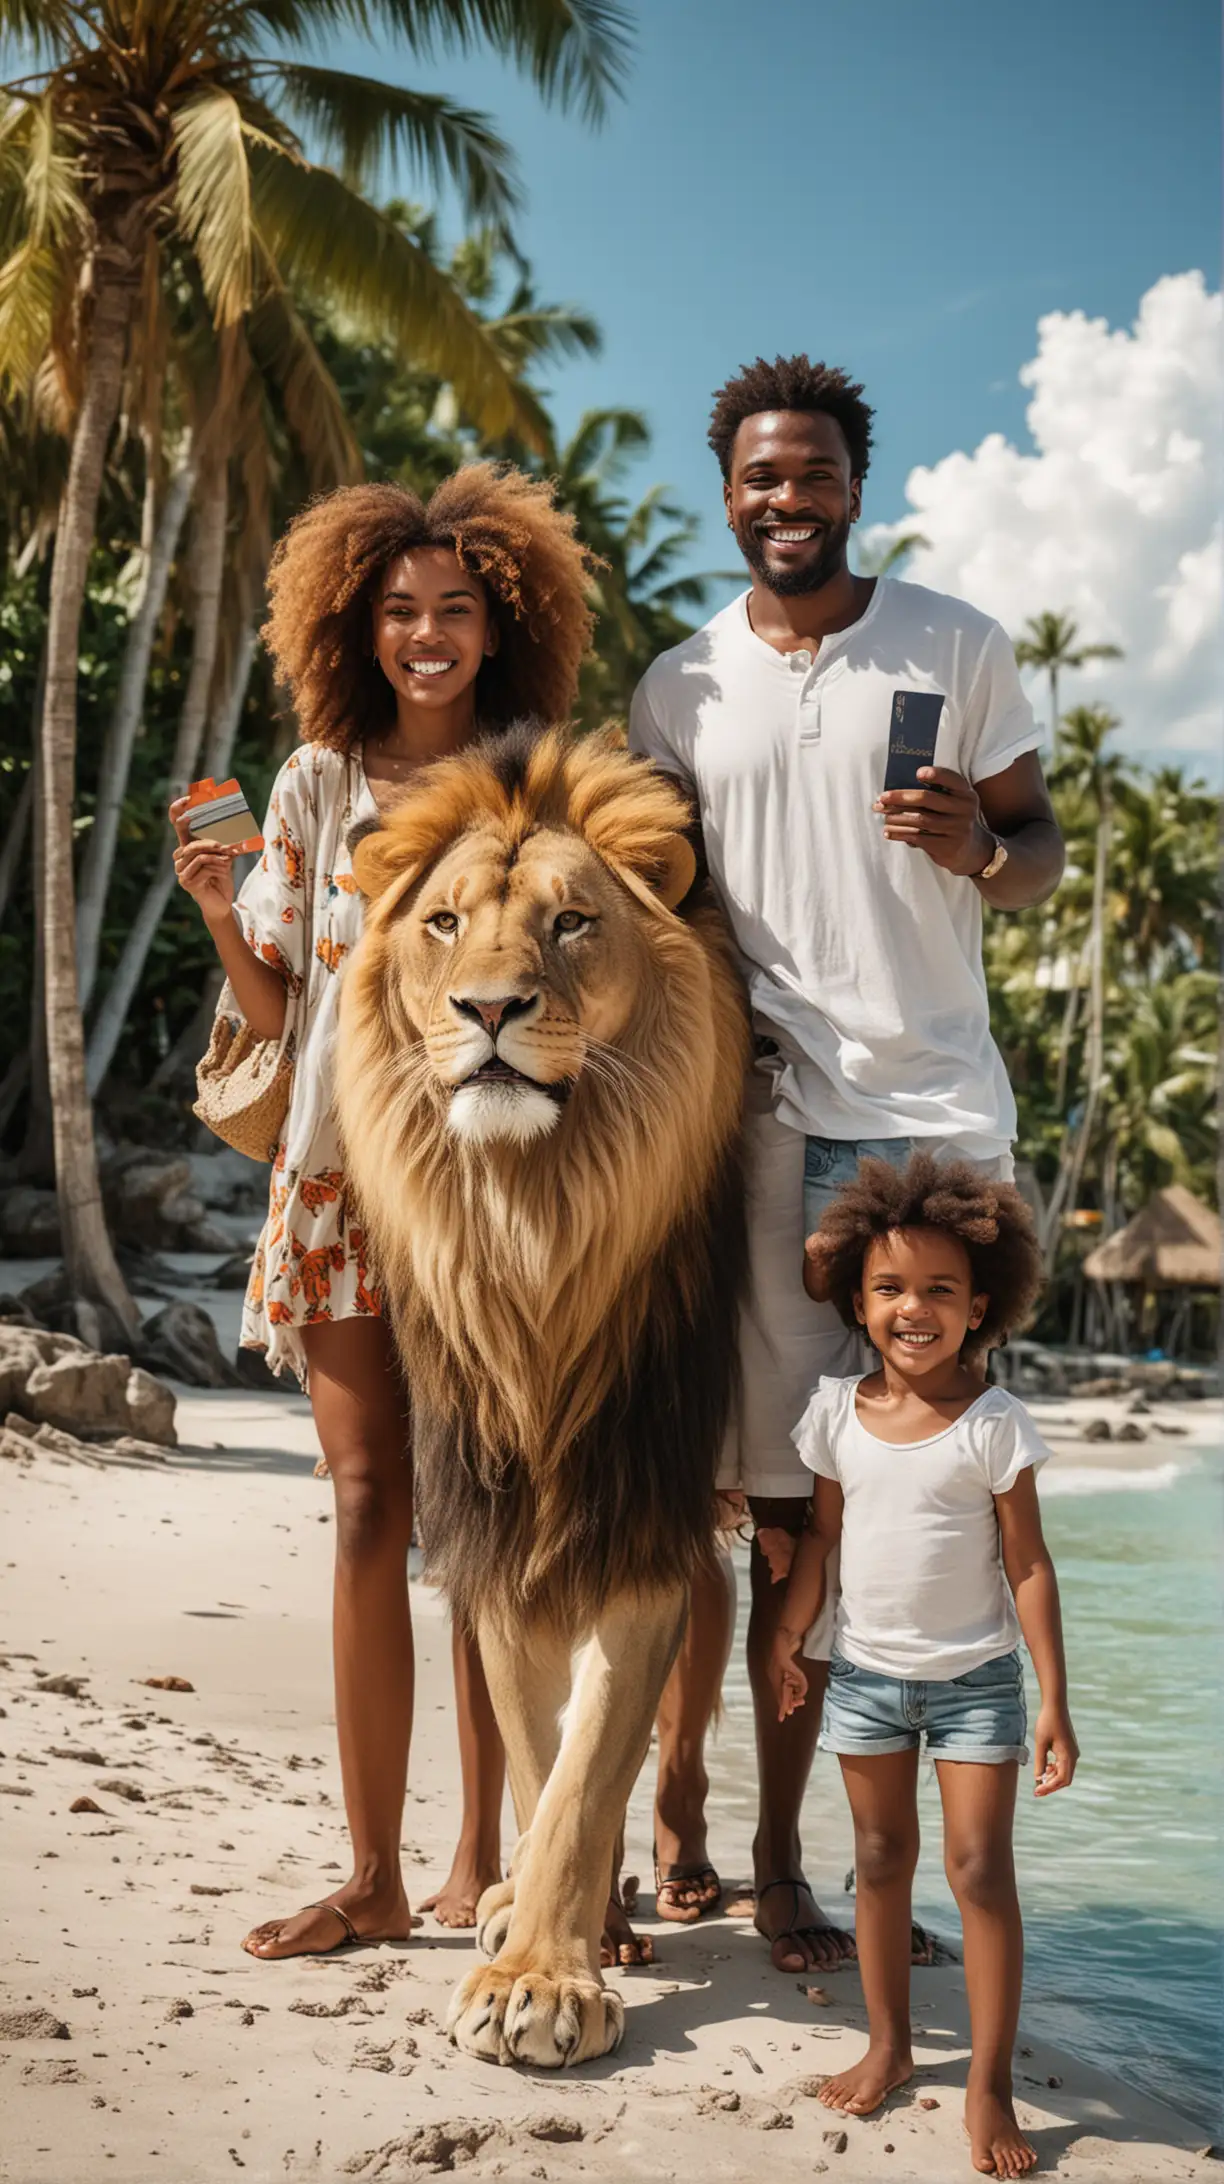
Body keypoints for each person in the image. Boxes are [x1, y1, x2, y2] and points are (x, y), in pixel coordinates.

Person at [629, 354, 1065, 1973]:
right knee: (756, 1507)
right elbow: (653, 906)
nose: (782, 499)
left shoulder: (953, 645)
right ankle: (679, 1811)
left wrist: (977, 848)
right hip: (762, 1132)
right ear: (724, 489)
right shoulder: (674, 686)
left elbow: (1035, 850)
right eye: (756, 475)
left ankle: (782, 1856)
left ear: (851, 484)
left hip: (938, 1124)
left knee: (886, 1520)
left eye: (809, 472)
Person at [171, 466, 597, 1958]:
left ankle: (492, 1854)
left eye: (455, 611)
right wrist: (227, 915)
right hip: (345, 1177)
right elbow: (282, 1012)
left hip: (495, 1191)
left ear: (502, 625)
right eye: (400, 611)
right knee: (368, 1508)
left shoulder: (534, 782)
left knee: (486, 1521)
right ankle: (371, 1872)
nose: (426, 635)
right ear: (358, 624)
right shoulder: (313, 781)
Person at [769, 1153, 1077, 2178]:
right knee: (880, 1860)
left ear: (980, 1306)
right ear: (859, 1301)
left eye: (941, 1290)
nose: (915, 1308)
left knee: (980, 1870)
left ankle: (986, 2082)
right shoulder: (831, 1415)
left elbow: (1028, 1565)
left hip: (979, 1682)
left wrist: (1053, 1703)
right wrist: (787, 1639)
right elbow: (820, 1540)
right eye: (891, 1288)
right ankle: (890, 2043)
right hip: (863, 1677)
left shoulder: (994, 1425)